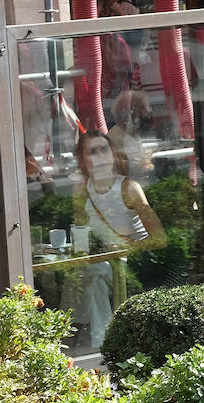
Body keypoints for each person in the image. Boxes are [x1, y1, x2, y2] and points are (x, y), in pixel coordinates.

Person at [71, 132, 166, 348]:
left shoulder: (129, 189)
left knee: (92, 273)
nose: (100, 157)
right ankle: (101, 342)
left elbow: (160, 238)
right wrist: (81, 253)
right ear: (83, 160)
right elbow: (81, 232)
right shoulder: (81, 190)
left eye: (103, 149)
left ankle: (93, 342)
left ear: (113, 155)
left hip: (135, 264)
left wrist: (127, 248)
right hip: (105, 263)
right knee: (82, 275)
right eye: (92, 152)